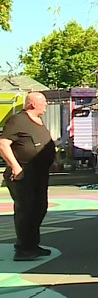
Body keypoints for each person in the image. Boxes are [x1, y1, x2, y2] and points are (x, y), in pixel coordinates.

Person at [0, 92, 56, 261]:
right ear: (32, 104)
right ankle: (23, 249)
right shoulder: (18, 120)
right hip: (23, 173)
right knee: (26, 209)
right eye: (43, 102)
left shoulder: (38, 121)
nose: (46, 105)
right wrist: (15, 167)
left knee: (39, 208)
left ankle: (32, 245)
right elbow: (3, 144)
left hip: (39, 173)